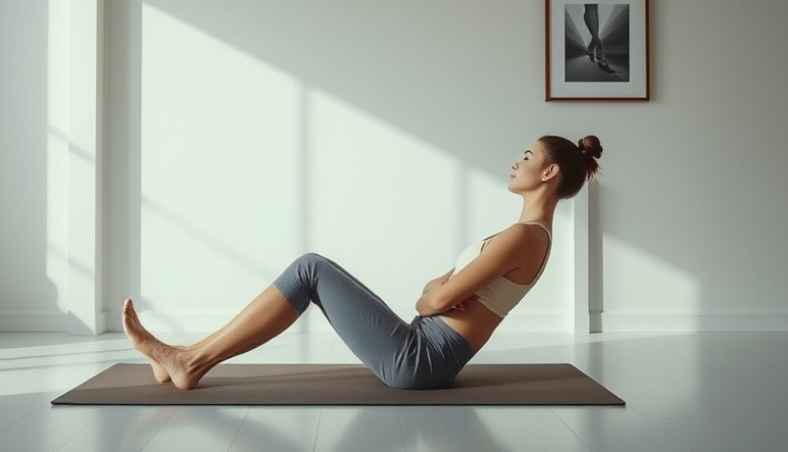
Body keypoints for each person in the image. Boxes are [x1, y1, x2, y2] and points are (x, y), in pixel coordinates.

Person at [122, 135, 603, 390]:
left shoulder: (522, 236)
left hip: (420, 361)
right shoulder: (530, 237)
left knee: (309, 268)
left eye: (526, 155)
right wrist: (435, 296)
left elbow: (437, 294)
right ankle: (184, 358)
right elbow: (439, 295)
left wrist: (432, 295)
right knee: (314, 268)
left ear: (549, 172)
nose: (515, 163)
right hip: (423, 348)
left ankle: (191, 361)